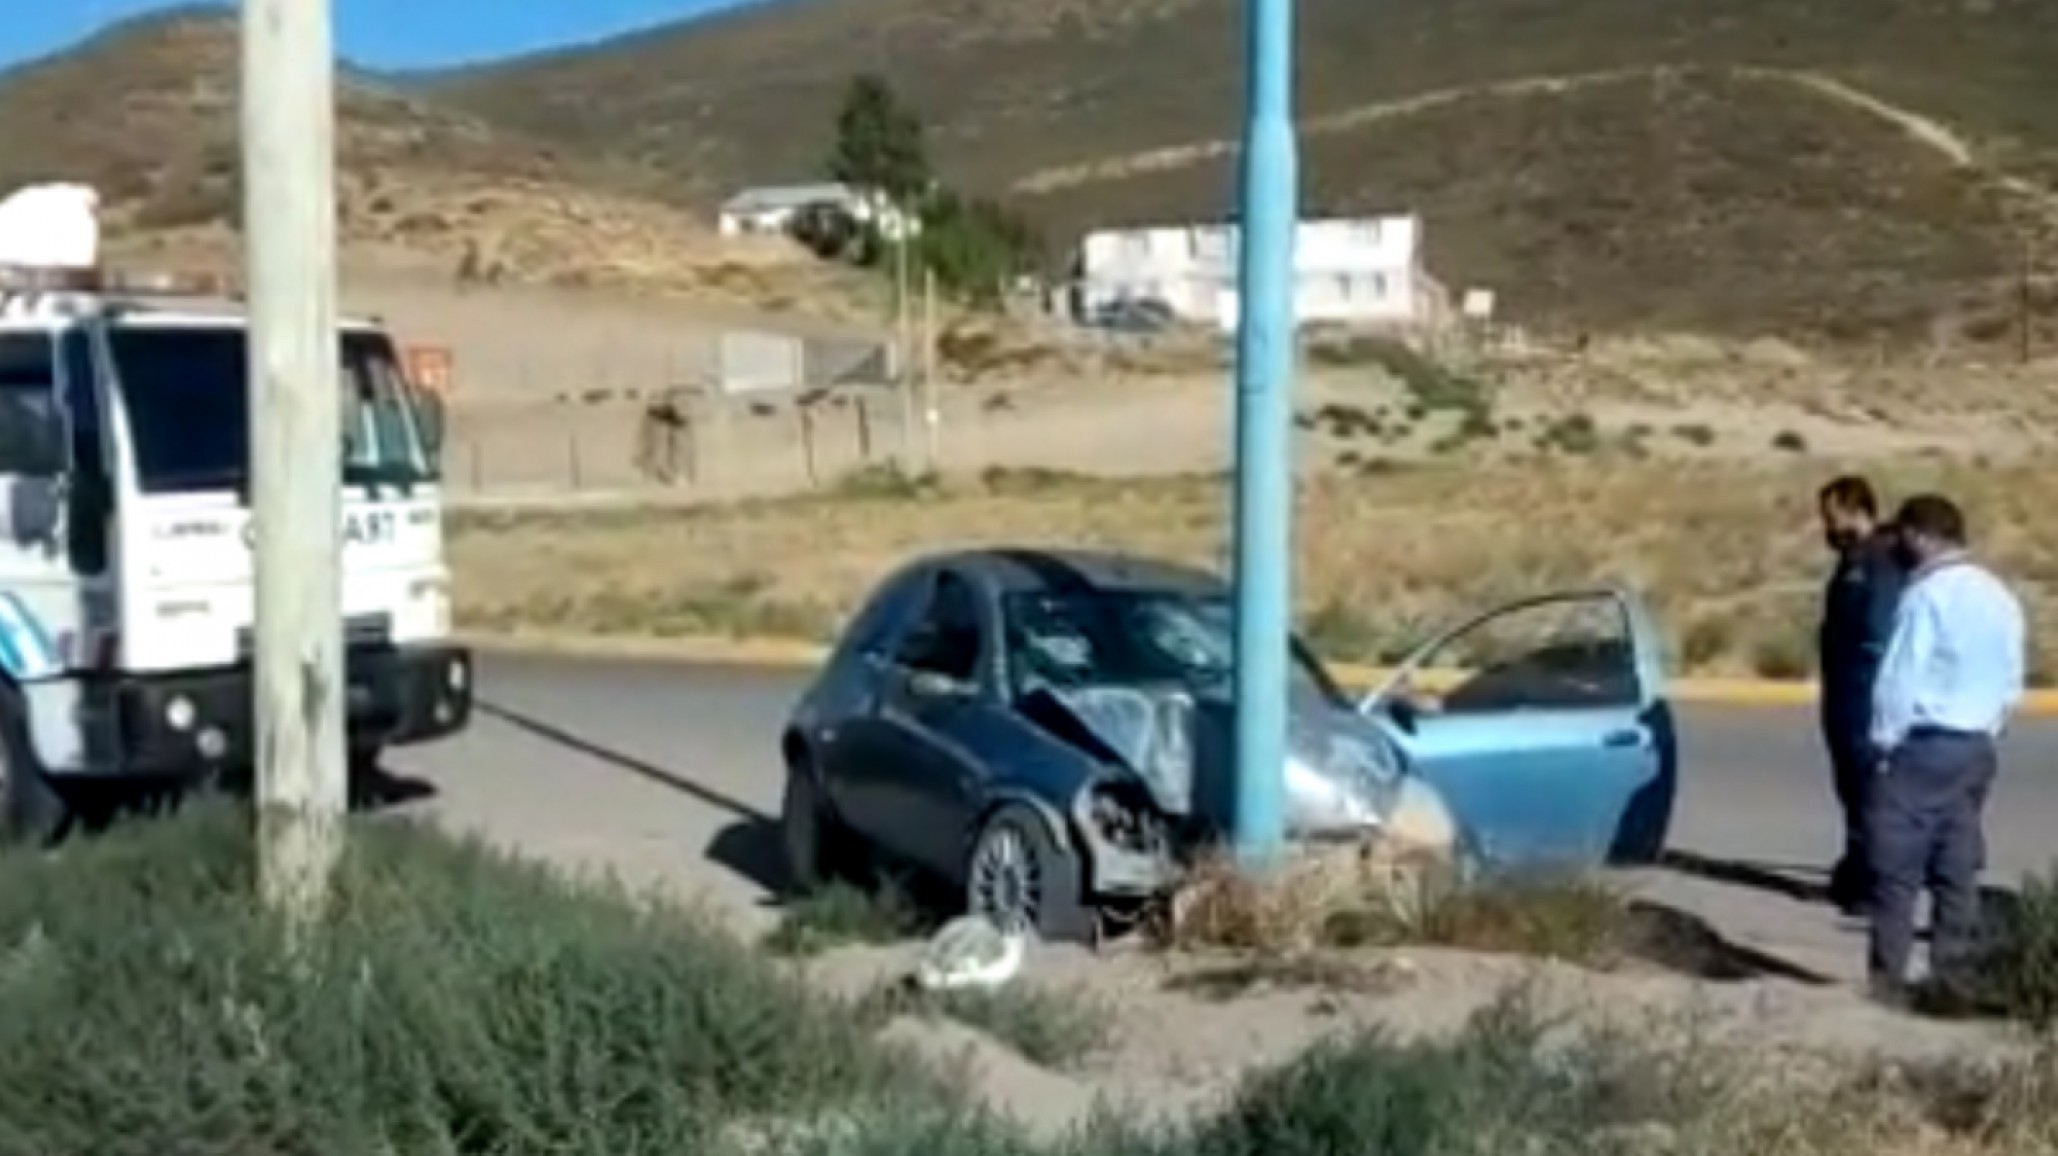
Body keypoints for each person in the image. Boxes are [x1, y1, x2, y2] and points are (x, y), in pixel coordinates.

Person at [1866, 493, 2026, 1007]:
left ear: (1918, 536)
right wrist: (1990, 728)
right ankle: (1952, 980)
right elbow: (2011, 676)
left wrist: (1884, 743)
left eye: (1903, 538)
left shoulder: (1927, 596)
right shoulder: (1998, 595)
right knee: (1956, 866)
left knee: (1894, 867)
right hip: (1975, 745)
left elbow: (1900, 676)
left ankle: (1888, 983)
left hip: (1924, 743)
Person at [1815, 475, 1903, 916]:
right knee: (1852, 787)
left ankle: (1871, 883)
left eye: (1832, 517)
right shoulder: (1854, 558)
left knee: (1869, 788)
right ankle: (1856, 871)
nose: (1827, 527)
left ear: (1857, 511)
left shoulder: (1881, 561)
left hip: (1865, 692)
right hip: (1844, 691)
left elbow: (1879, 632)